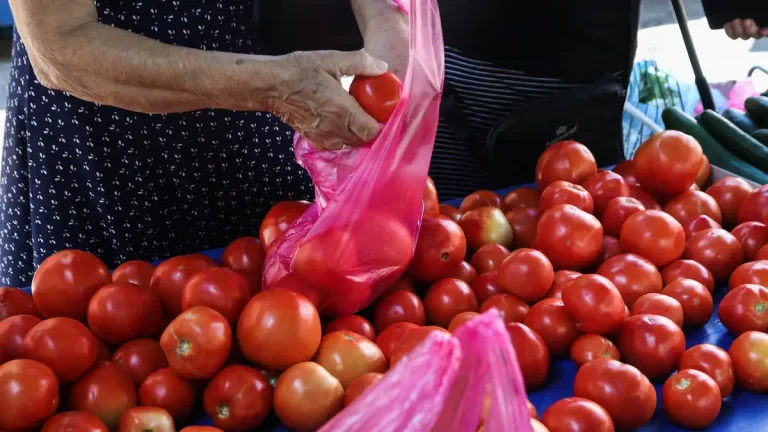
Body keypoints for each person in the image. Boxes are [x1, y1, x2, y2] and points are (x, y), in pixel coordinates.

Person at [0, 0, 405, 286]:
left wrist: (385, 17)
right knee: (114, 326)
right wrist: (273, 88)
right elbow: (59, 47)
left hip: (270, 99)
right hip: (111, 139)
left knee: (280, 306)